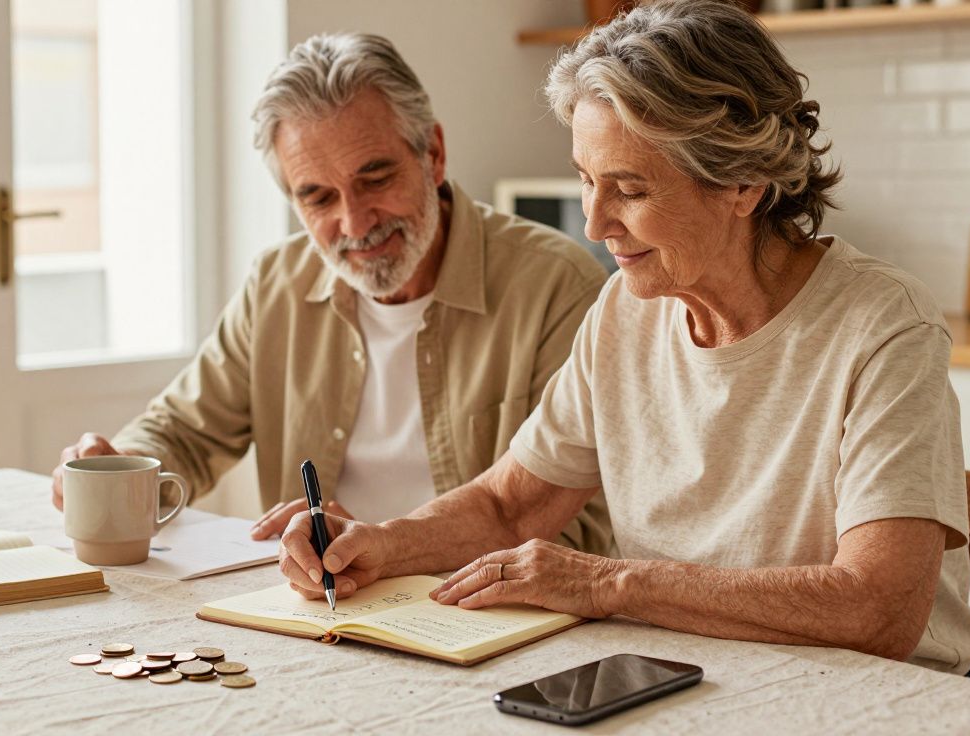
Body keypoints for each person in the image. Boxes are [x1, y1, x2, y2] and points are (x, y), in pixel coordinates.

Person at [279, 0, 970, 676]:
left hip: (894, 699)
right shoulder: (627, 308)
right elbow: (512, 505)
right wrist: (378, 543)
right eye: (586, 180)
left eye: (630, 189)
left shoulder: (882, 325)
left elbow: (879, 608)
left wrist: (610, 584)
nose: (594, 224)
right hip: (705, 679)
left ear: (743, 182)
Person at [50, 33, 613, 555]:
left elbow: (582, 529)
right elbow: (183, 432)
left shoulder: (557, 287)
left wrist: (391, 546)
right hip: (317, 604)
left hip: (476, 613)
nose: (354, 221)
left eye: (375, 179)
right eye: (318, 198)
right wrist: (116, 464)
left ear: (433, 154)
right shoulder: (276, 283)